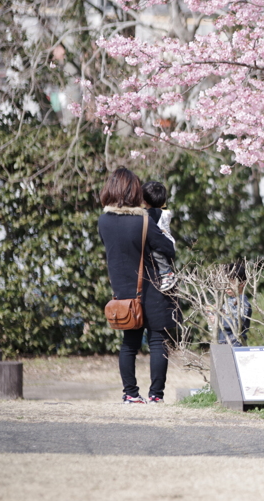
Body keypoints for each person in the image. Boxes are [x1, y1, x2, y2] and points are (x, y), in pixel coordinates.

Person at [98, 167, 178, 404]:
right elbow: (168, 249)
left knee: (129, 344)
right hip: (153, 288)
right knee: (157, 342)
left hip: (123, 292)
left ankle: (130, 394)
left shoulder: (104, 221)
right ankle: (156, 395)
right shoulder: (141, 220)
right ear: (133, 191)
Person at [141, 180, 177, 292]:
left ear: (144, 200)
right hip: (167, 240)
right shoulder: (161, 211)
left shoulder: (155, 213)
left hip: (164, 243)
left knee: (156, 253)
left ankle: (167, 274)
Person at [217, 261, 251, 347]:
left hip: (236, 343)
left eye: (231, 283)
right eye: (225, 283)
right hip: (224, 342)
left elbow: (237, 322)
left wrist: (219, 320)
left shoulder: (243, 302)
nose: (227, 287)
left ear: (242, 283)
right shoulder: (228, 300)